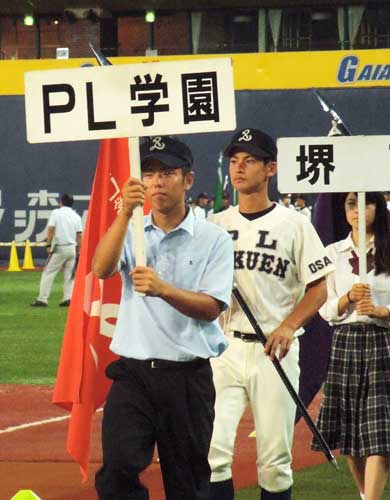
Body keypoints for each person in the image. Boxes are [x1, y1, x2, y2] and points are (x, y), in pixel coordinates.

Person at [93, 135, 234, 500]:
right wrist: (124, 213)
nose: (157, 181)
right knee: (117, 471)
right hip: (133, 374)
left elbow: (212, 307)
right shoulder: (132, 230)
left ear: (188, 180)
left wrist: (163, 289)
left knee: (188, 484)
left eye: (167, 172)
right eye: (149, 173)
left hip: (187, 378)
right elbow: (102, 268)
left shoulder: (213, 239)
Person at [207, 128, 333, 500]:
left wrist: (289, 326)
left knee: (275, 461)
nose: (239, 168)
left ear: (271, 168)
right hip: (224, 348)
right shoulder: (215, 225)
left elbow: (319, 288)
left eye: (249, 160)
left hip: (274, 351)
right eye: (234, 160)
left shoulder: (294, 224)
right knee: (213, 452)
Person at [312, 191, 390, 500]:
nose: (358, 210)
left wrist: (383, 311)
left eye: (366, 202)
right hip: (345, 343)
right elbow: (325, 308)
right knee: (349, 432)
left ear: (378, 207)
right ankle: (363, 493)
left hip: (383, 342)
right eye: (351, 204)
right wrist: (347, 300)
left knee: (380, 430)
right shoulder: (332, 253)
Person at [31, 193, 82, 307]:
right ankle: (67, 298)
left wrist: (48, 245)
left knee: (48, 273)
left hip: (60, 248)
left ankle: (42, 299)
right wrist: (80, 250)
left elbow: (51, 229)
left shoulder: (56, 213)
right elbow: (79, 235)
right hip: (72, 249)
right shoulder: (76, 216)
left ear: (61, 202)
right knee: (70, 275)